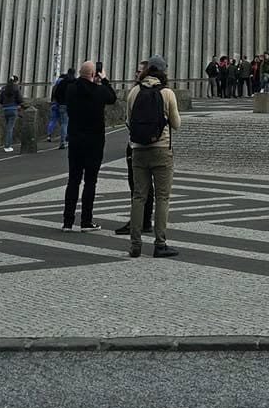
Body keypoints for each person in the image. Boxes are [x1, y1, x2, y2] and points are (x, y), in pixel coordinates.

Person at [125, 54, 181, 258]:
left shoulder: (134, 92)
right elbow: (176, 124)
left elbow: (128, 121)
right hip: (161, 149)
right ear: (163, 71)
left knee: (139, 196)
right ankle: (160, 243)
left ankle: (135, 244)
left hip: (138, 150)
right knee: (162, 198)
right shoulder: (167, 93)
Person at [62, 59, 117, 229]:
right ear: (94, 74)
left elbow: (63, 93)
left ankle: (68, 221)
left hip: (75, 140)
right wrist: (105, 80)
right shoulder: (99, 91)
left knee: (73, 180)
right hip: (94, 141)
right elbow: (112, 98)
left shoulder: (71, 89)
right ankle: (86, 220)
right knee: (90, 181)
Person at [114, 57, 159, 237]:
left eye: (139, 71)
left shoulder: (135, 91)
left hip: (136, 144)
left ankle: (137, 222)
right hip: (157, 144)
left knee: (137, 186)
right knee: (150, 186)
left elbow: (128, 119)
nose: (136, 74)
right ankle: (146, 220)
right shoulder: (162, 91)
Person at [0, 74, 24, 154]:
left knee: (8, 127)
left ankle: (7, 144)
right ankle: (8, 146)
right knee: (10, 128)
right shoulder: (16, 88)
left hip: (5, 109)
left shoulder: (4, 88)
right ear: (16, 81)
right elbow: (20, 99)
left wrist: (5, 104)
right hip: (13, 109)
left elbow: (0, 100)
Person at [46, 70, 71, 148]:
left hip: (54, 105)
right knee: (64, 123)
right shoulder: (65, 84)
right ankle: (64, 137)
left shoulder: (55, 86)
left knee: (53, 120)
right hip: (63, 105)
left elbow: (53, 96)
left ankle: (49, 135)